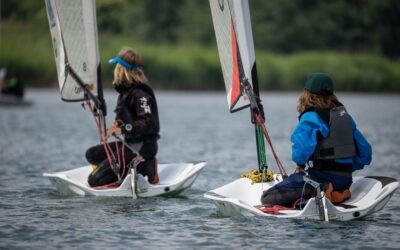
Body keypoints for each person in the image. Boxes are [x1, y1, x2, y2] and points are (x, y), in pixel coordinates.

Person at [261, 73, 372, 207]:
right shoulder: (345, 117)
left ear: (307, 94)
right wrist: (346, 167)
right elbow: (366, 153)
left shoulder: (311, 116)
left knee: (267, 198)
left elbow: (300, 152)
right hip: (346, 180)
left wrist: (300, 164)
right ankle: (337, 193)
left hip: (322, 178)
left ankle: (323, 190)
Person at [86, 47, 160, 188]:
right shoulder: (126, 92)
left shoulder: (141, 94)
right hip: (130, 142)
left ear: (121, 69)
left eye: (116, 66)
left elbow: (149, 123)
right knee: (91, 155)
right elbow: (127, 120)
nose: (115, 70)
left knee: (93, 181)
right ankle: (134, 166)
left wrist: (123, 129)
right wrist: (116, 127)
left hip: (143, 146)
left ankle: (146, 166)